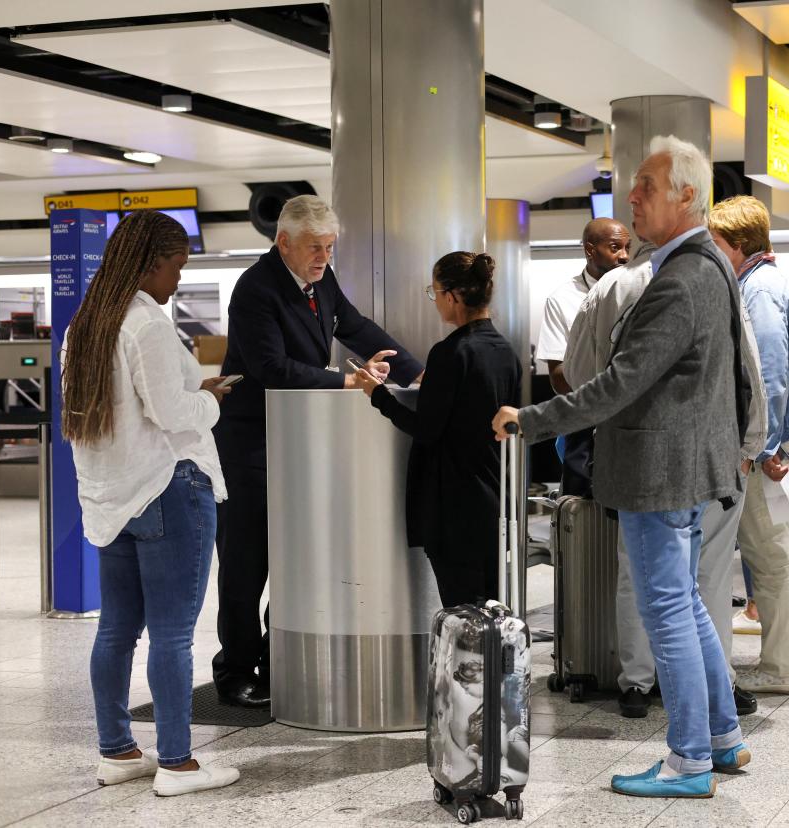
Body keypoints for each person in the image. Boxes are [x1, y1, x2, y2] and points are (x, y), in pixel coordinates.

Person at [492, 135, 750, 798]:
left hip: (658, 469)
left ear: (686, 196)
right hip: (685, 466)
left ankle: (689, 758)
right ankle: (721, 738)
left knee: (667, 607)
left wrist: (531, 419)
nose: (630, 198)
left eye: (646, 188)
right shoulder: (707, 266)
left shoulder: (681, 279)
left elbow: (620, 383)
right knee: (685, 603)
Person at [212, 195, 424, 708]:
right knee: (246, 562)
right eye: (314, 247)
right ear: (283, 242)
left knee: (293, 559)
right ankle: (235, 669)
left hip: (299, 441)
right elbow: (270, 368)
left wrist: (415, 371)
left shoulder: (320, 279)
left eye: (329, 247)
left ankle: (276, 658)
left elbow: (354, 326)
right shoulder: (255, 289)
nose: (324, 257)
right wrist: (344, 380)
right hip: (251, 445)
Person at [62, 210, 239, 796]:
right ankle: (178, 764)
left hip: (113, 496)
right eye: (177, 267)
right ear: (151, 262)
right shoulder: (146, 324)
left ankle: (117, 751)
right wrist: (211, 401)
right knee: (171, 634)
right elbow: (172, 413)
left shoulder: (85, 325)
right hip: (169, 488)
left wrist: (194, 390)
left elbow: (118, 410)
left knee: (116, 629)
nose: (178, 281)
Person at [566, 239, 768, 719]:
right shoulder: (714, 279)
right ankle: (715, 686)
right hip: (714, 454)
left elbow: (578, 372)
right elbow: (749, 368)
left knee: (638, 572)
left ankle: (637, 684)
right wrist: (750, 445)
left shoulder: (612, 286)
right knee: (708, 578)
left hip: (635, 454)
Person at [351, 252, 521, 607]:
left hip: (453, 504)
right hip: (494, 497)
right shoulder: (505, 351)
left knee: (462, 612)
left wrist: (377, 394)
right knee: (493, 609)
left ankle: (469, 667)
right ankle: (498, 666)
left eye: (435, 291)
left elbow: (425, 429)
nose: (434, 300)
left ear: (453, 296)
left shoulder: (450, 352)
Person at [708, 195, 789, 697]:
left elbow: (768, 373)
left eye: (716, 242)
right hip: (773, 437)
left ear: (739, 244)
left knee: (772, 556)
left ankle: (785, 668)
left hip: (766, 441)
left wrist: (761, 445)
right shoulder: (759, 283)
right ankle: (786, 664)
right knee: (773, 555)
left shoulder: (760, 289)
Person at [536, 218, 632, 497]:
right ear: (590, 250)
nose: (624, 256)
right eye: (615, 247)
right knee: (584, 519)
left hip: (631, 426)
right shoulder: (563, 299)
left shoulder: (640, 290)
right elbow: (558, 378)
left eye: (627, 247)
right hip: (583, 426)